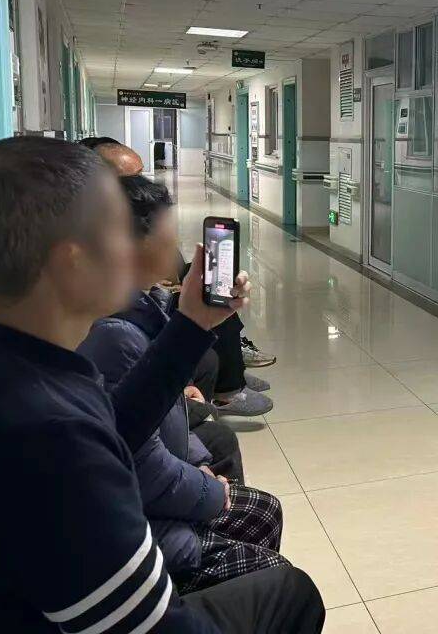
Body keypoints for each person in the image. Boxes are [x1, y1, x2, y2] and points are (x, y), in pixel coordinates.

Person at [0, 136, 324, 633]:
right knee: (291, 593)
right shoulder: (49, 436)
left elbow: (119, 425)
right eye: (120, 230)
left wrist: (193, 323)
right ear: (73, 260)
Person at [79, 174, 289, 591]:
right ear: (130, 244)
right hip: (146, 531)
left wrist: (199, 465)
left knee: (264, 509)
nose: (177, 241)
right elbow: (140, 457)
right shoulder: (114, 335)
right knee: (281, 579)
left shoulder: (140, 310)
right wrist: (209, 492)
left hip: (164, 493)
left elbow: (158, 412)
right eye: (167, 230)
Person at [81, 136, 277, 415]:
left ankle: (232, 371)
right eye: (132, 179)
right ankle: (227, 387)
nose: (143, 183)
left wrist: (194, 315)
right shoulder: (113, 332)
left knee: (213, 291)